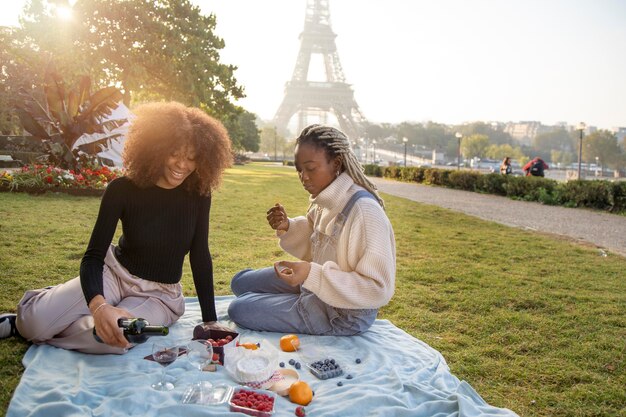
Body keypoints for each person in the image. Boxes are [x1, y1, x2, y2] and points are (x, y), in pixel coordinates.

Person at [0, 102, 232, 354]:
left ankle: (63, 326)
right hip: (113, 275)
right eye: (174, 153)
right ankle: (31, 315)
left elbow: (200, 256)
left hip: (159, 296)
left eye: (191, 157)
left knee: (113, 337)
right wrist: (99, 306)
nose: (182, 165)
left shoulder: (198, 194)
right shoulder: (121, 189)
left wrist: (209, 319)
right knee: (33, 324)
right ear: (157, 148)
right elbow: (93, 256)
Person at [227, 125, 396, 336]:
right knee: (240, 282)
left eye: (311, 168)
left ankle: (292, 301)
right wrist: (287, 226)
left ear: (336, 163)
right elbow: (316, 239)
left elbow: (377, 289)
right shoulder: (325, 198)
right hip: (315, 284)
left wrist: (310, 274)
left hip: (343, 313)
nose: (303, 177)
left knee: (239, 308)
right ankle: (292, 298)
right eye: (299, 169)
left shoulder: (365, 212)